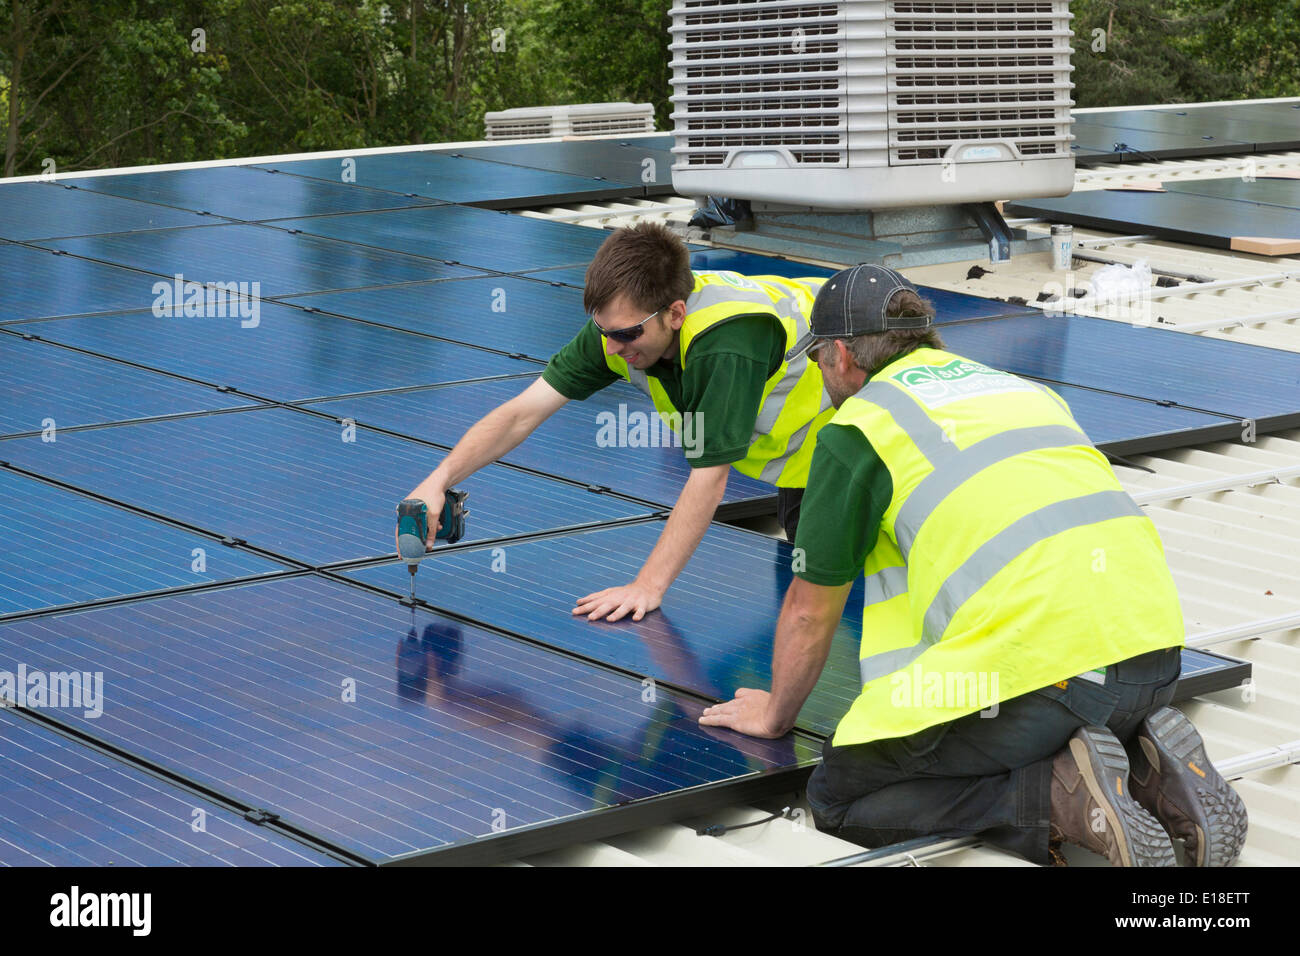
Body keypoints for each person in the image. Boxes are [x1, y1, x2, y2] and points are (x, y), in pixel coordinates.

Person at [699, 263, 1248, 867]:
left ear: (840, 355)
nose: (820, 375)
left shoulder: (859, 430)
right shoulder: (1017, 389)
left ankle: (1057, 801)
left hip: (1048, 684)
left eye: (818, 361)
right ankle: (1144, 761)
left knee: (838, 796)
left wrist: (777, 714)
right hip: (1157, 658)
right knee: (1056, 703)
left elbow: (809, 609)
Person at [401, 221, 835, 622]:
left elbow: (709, 479)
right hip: (805, 462)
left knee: (839, 600)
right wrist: (438, 479)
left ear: (676, 314)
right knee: (812, 601)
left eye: (626, 335)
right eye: (603, 331)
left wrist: (647, 586)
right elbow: (521, 414)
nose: (610, 348)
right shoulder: (620, 329)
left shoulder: (723, 344)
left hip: (858, 441)